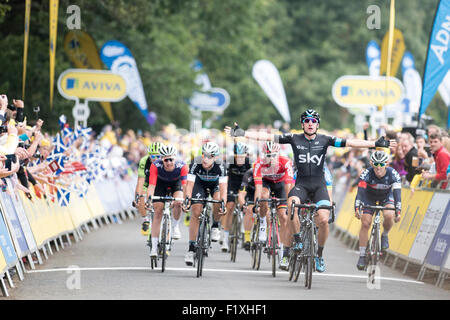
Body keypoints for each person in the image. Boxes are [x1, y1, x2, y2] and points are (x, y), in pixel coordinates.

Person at [225, 108, 396, 273]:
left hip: (319, 185)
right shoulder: (293, 138)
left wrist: (375, 144)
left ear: (317, 124)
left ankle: (319, 254)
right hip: (302, 186)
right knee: (290, 205)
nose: (310, 124)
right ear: (302, 124)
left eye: (313, 121)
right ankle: (298, 240)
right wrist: (243, 133)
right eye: (307, 121)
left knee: (323, 219)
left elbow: (349, 143)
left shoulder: (325, 139)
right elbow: (267, 136)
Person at [354, 150, 401, 270]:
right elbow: (360, 193)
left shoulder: (393, 174)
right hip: (369, 197)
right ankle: (362, 255)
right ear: (371, 163)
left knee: (389, 214)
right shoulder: (366, 174)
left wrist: (398, 211)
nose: (378, 167)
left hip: (386, 197)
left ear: (387, 164)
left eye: (381, 164)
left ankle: (384, 235)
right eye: (375, 164)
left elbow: (397, 195)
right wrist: (357, 207)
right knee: (365, 223)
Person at [182, 142, 227, 266]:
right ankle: (191, 249)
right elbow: (189, 185)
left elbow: (223, 188)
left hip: (215, 185)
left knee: (218, 200)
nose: (206, 159)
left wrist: (223, 203)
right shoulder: (195, 162)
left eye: (210, 156)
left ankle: (215, 225)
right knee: (196, 211)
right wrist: (187, 200)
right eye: (204, 155)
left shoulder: (221, 166)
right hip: (199, 184)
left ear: (216, 157)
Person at [253, 141, 294, 270]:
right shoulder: (258, 163)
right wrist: (256, 203)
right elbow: (258, 187)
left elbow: (288, 186)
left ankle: (283, 250)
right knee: (264, 198)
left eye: (274, 155)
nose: (271, 158)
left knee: (283, 217)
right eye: (268, 155)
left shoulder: (285, 162)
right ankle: (263, 222)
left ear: (278, 154)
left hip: (281, 184)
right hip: (266, 183)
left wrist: (289, 205)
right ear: (264, 155)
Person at [145, 144, 188, 257]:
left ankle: (175, 226)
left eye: (171, 159)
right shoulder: (155, 165)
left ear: (175, 157)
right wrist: (149, 199)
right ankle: (154, 248)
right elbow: (151, 186)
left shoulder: (182, 166)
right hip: (160, 184)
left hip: (176, 183)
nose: (169, 162)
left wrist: (186, 200)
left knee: (178, 202)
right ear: (161, 159)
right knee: (158, 212)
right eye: (166, 160)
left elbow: (185, 186)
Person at [221, 142, 251, 252]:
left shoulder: (249, 163)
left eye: (242, 156)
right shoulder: (229, 162)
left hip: (245, 184)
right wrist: (225, 193)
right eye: (237, 156)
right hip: (231, 183)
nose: (240, 159)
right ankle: (225, 237)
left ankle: (244, 229)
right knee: (229, 206)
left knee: (247, 206)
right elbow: (225, 178)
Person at [133, 141, 162, 236]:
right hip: (147, 183)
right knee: (141, 194)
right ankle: (145, 220)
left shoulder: (166, 161)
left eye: (158, 156)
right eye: (153, 157)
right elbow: (140, 181)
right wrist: (137, 196)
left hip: (162, 184)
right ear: (149, 156)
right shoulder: (144, 161)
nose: (156, 159)